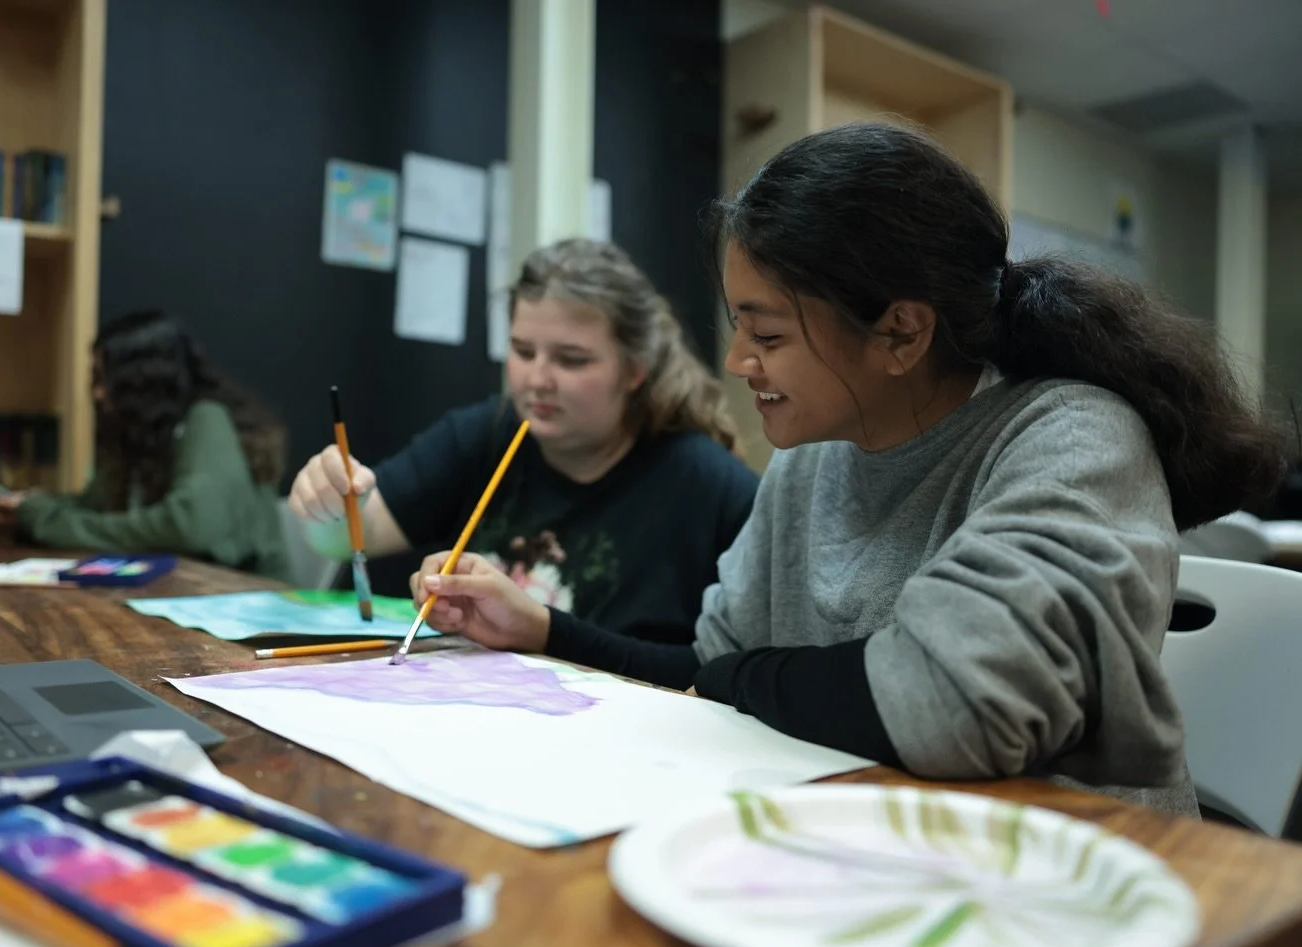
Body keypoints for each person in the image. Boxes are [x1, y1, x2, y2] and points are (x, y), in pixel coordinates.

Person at [402, 122, 1288, 815]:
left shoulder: (1072, 439)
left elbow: (952, 707)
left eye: (770, 333)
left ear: (902, 332)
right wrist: (545, 633)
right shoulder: (812, 456)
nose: (740, 361)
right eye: (738, 325)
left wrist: (742, 679)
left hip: (1068, 871)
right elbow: (707, 666)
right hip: (865, 836)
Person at [289, 238, 758, 643]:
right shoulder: (488, 433)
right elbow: (354, 537)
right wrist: (330, 505)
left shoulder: (709, 488)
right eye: (522, 351)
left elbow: (717, 670)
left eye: (571, 360)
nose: (537, 380)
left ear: (634, 370)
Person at [0, 310, 291, 580]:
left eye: (108, 379)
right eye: (96, 378)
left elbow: (190, 526)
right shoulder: (142, 439)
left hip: (246, 604)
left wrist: (48, 521)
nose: (99, 393)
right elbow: (96, 507)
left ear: (145, 381)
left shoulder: (205, 419)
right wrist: (31, 510)